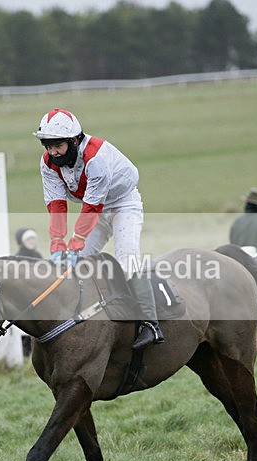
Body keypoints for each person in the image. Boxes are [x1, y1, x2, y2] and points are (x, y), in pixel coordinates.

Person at [33, 108, 164, 350]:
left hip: (123, 204)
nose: (53, 152)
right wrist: (57, 243)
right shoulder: (47, 163)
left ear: (74, 141)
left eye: (58, 146)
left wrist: (75, 242)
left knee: (127, 261)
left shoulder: (95, 157)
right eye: (48, 146)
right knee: (74, 265)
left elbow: (92, 207)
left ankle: (151, 323)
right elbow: (57, 205)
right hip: (94, 208)